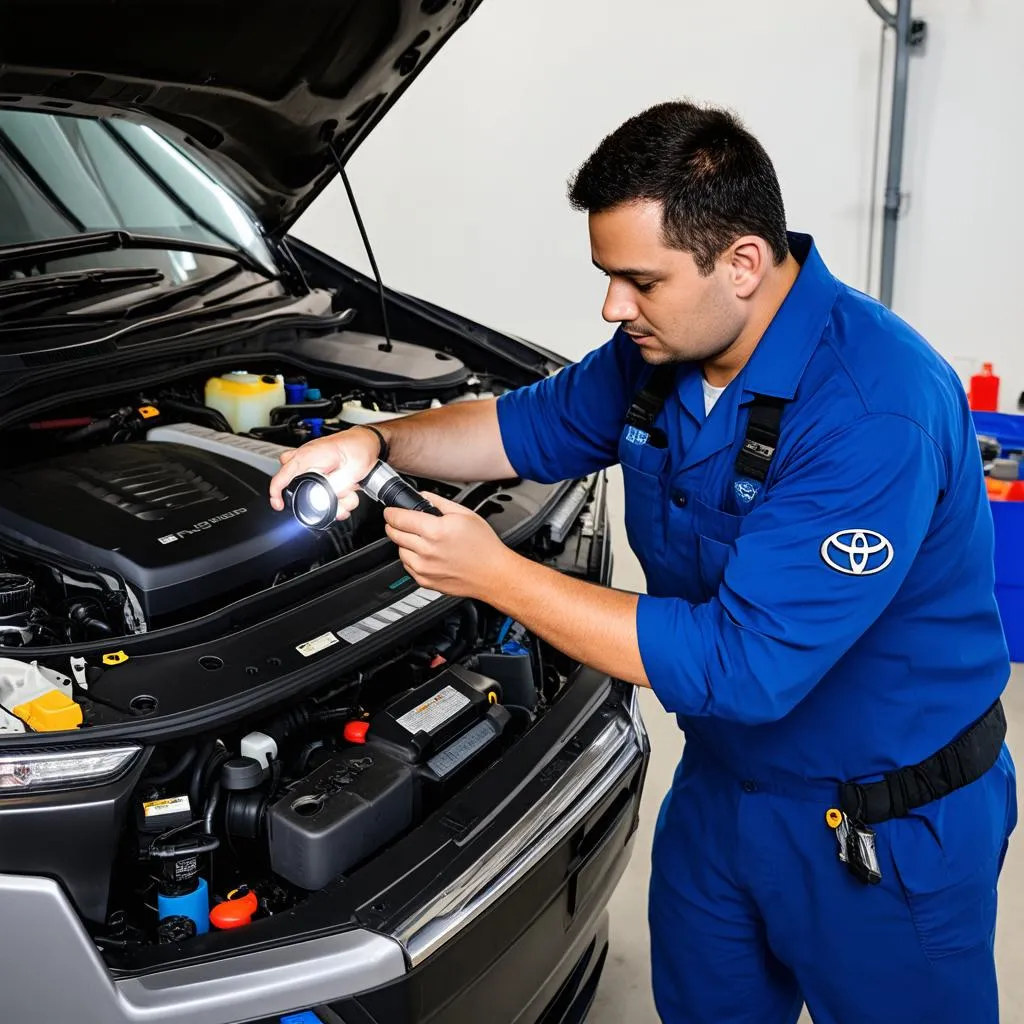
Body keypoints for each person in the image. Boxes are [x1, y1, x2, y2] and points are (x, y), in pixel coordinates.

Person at [269, 101, 1017, 1024]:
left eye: (639, 280)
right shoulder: (659, 356)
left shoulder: (873, 408)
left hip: (882, 826)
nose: (612, 306)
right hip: (721, 791)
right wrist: (374, 441)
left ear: (741, 263)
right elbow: (517, 428)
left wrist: (495, 574)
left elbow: (744, 665)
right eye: (607, 276)